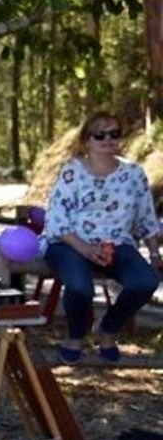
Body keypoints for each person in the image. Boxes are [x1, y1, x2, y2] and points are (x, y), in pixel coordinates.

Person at [42, 111, 163, 363]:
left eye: (114, 133)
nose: (108, 139)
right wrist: (85, 248)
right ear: (87, 140)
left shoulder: (133, 174)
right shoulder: (72, 171)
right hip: (69, 242)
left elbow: (147, 218)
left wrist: (154, 252)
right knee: (79, 287)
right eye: (100, 134)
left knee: (145, 282)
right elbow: (56, 219)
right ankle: (75, 335)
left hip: (116, 243)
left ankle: (107, 329)